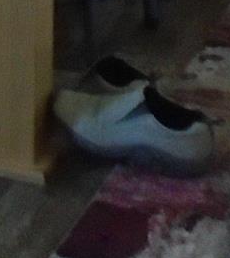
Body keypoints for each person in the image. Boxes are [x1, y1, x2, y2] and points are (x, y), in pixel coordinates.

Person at [52, 57, 221, 173]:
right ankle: (191, 136)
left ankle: (146, 110)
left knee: (137, 104)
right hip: (195, 142)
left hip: (188, 143)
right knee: (144, 99)